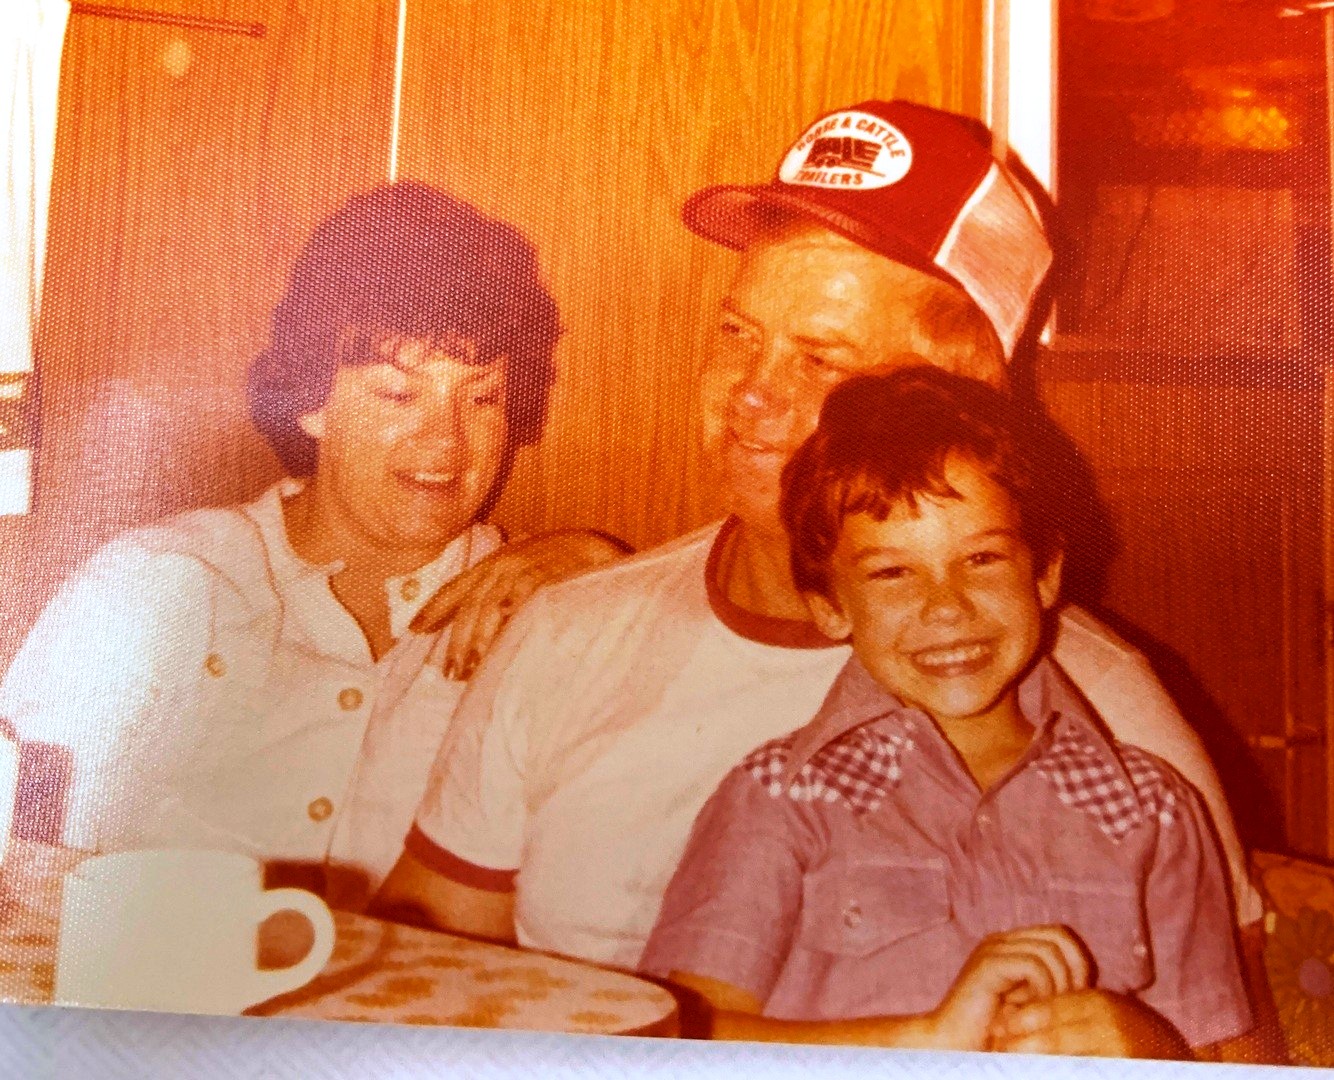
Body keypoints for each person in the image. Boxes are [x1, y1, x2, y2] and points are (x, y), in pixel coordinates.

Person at [377, 102, 1269, 1052]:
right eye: (737, 334)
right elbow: (409, 977)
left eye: (819, 359)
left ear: (954, 393)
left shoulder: (1102, 710)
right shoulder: (570, 629)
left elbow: (1241, 1052)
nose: (750, 394)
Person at [0, 181, 625, 908]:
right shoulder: (155, 585)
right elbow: (18, 866)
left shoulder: (546, 608)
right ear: (309, 400)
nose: (447, 441)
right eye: (399, 395)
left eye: (482, 398)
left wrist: (606, 579)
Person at [639, 368, 1252, 1058]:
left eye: (982, 558)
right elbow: (676, 1042)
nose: (947, 607)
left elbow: (1222, 1056)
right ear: (831, 607)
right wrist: (924, 1040)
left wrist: (1149, 1044)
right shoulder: (782, 798)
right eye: (892, 573)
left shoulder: (1152, 812)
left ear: (1045, 572)